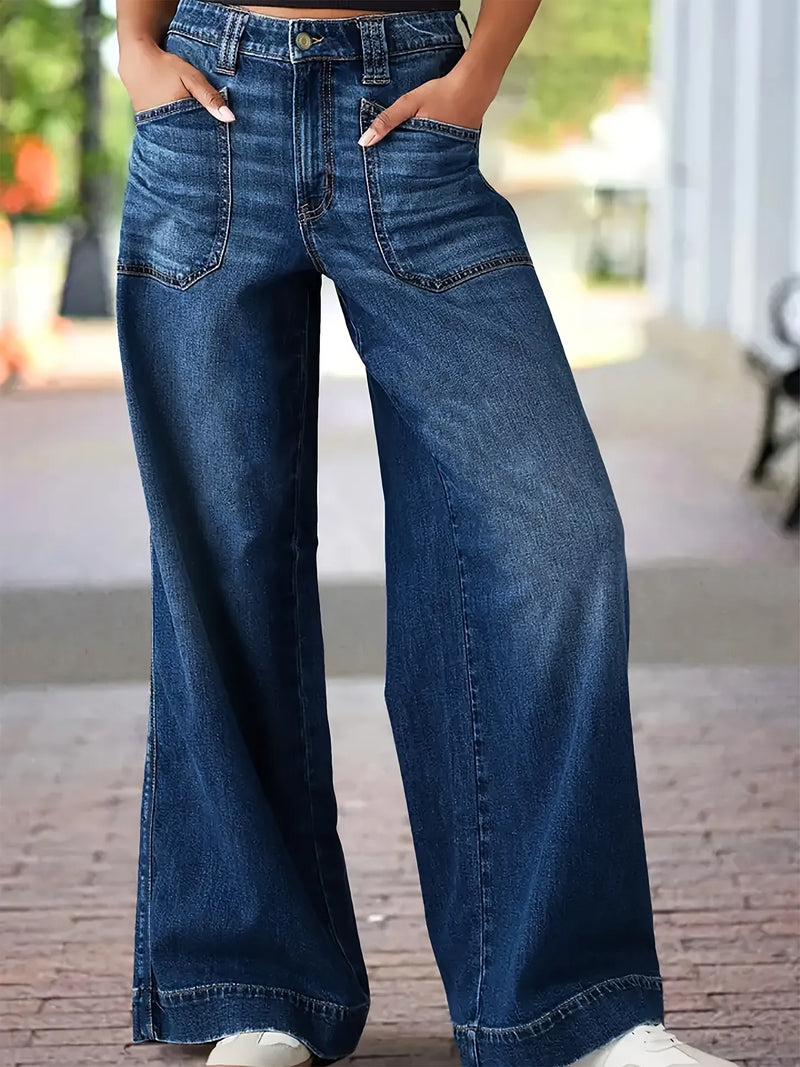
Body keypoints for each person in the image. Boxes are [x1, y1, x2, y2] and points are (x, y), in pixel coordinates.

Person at [114, 1, 739, 1065]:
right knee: (223, 555)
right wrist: (134, 43)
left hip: (406, 113)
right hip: (209, 113)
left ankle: (565, 1001)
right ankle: (252, 985)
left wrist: (479, 71)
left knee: (553, 536)